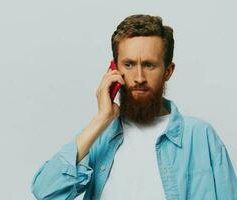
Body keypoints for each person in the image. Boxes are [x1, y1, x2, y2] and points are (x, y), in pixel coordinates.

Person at [31, 14, 237, 200]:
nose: (139, 78)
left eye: (149, 65)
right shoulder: (100, 137)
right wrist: (101, 119)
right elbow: (45, 192)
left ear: (168, 71)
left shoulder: (200, 136)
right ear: (114, 69)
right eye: (128, 65)